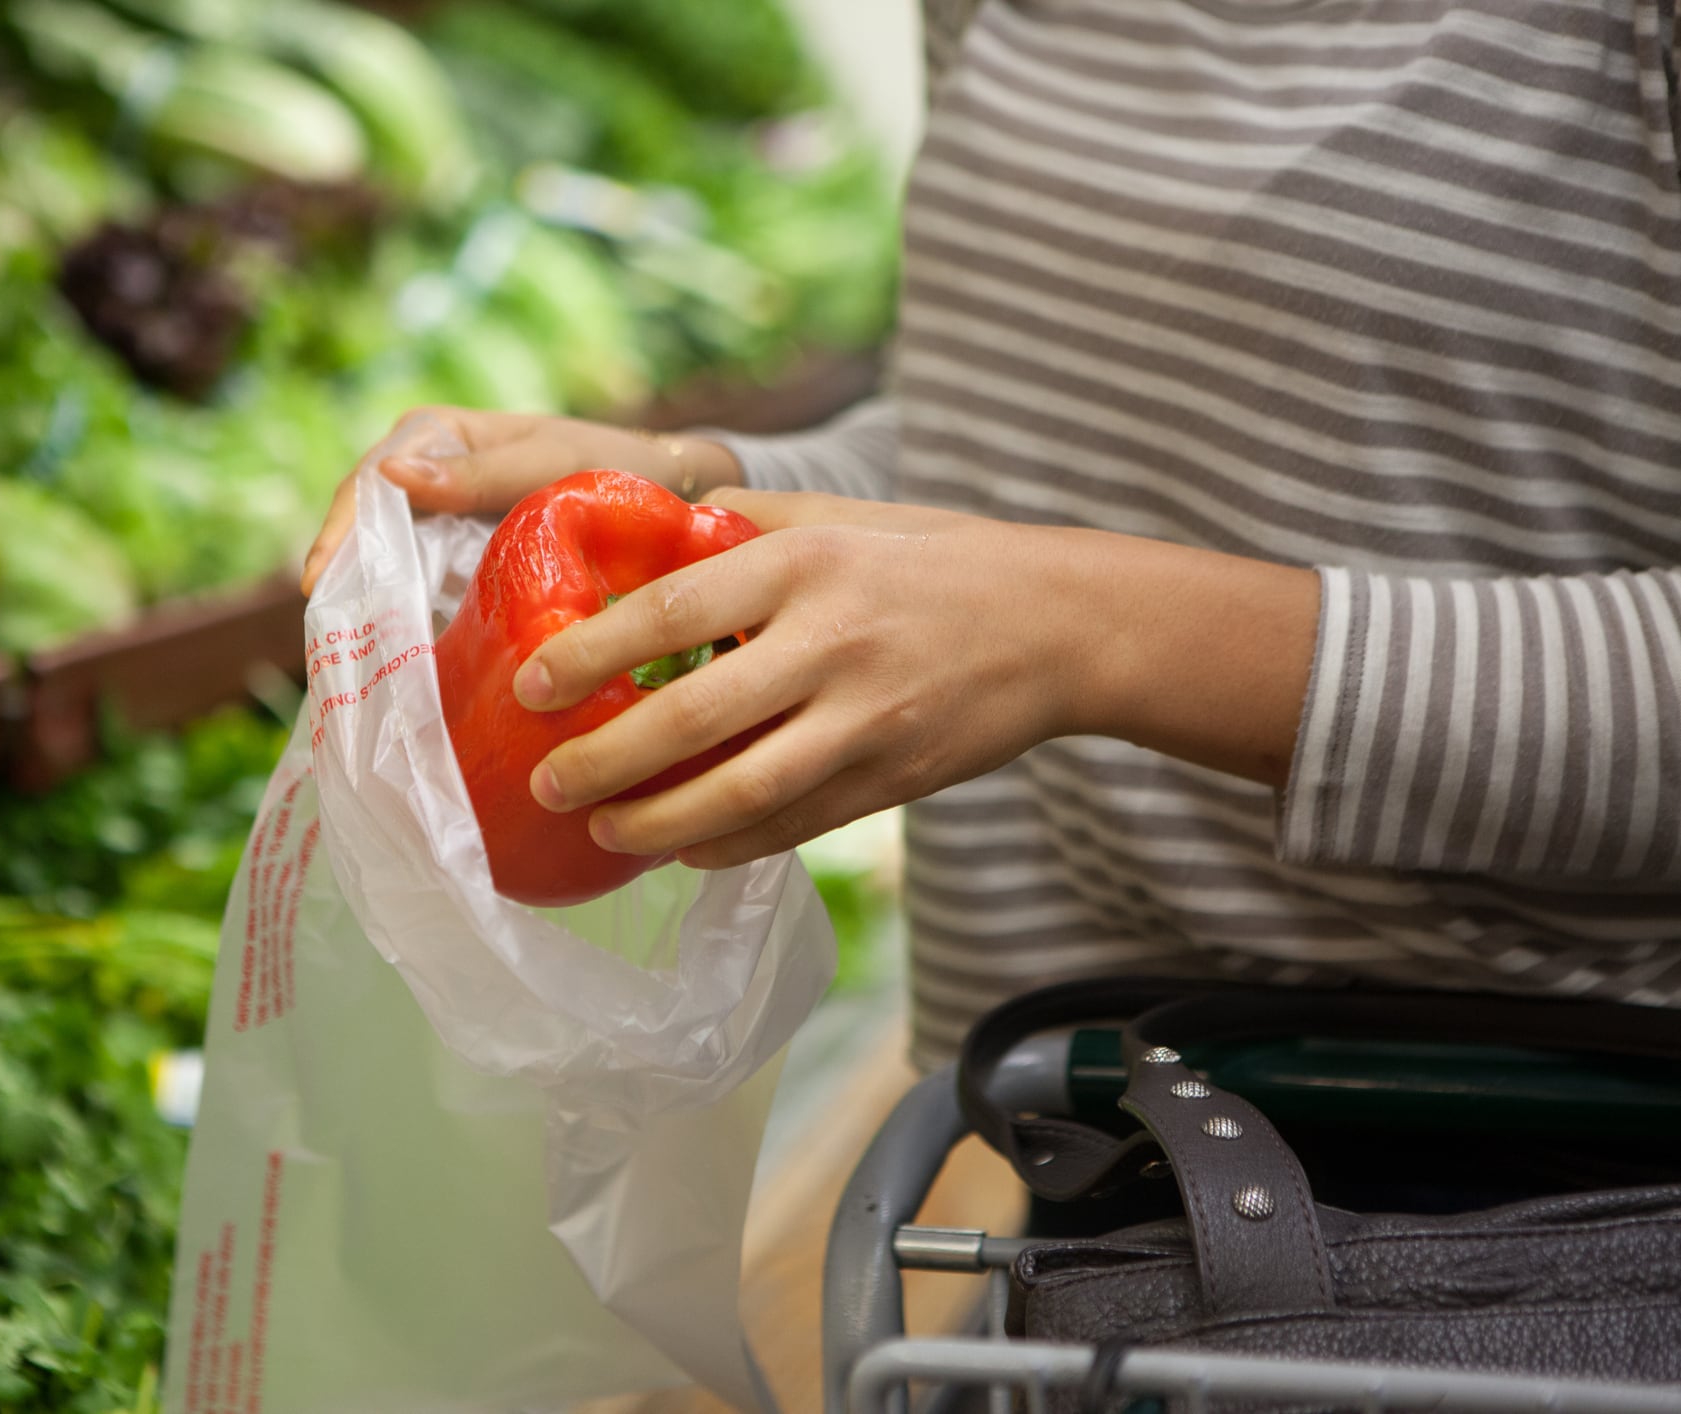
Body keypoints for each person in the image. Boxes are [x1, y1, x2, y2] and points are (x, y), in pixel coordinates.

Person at [306, 0, 1681, 1076]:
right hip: (1085, 1119)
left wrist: (1086, 633)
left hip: (1532, 1154)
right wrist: (692, 490)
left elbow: (1065, 582)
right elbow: (1037, 431)